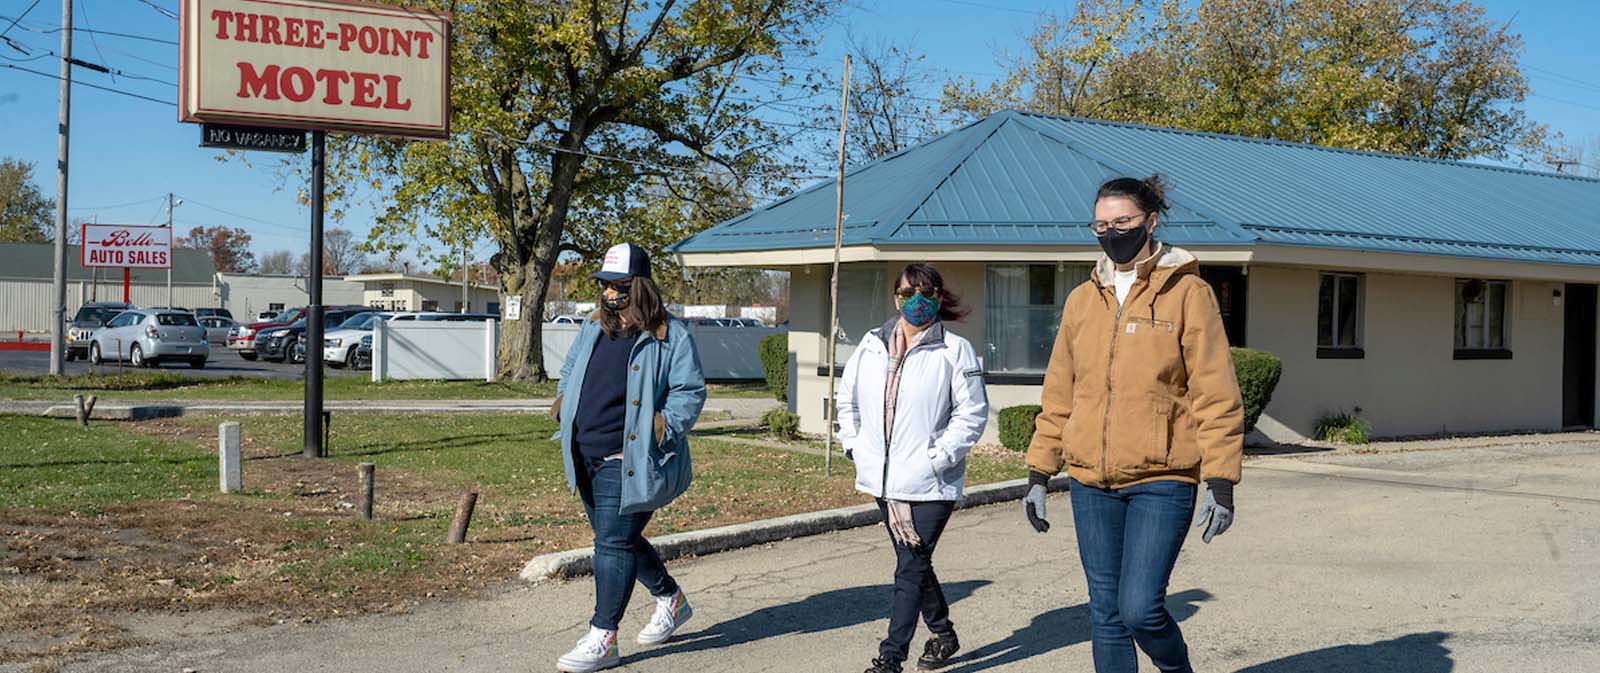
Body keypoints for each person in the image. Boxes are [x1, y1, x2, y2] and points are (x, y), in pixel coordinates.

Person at [1022, 176, 1244, 673]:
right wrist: (1039, 472)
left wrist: (1222, 480)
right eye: (1101, 224)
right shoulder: (1083, 300)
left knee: (1140, 608)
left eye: (1122, 222)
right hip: (1089, 482)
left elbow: (1215, 391)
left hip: (1161, 480)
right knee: (1105, 613)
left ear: (1150, 222)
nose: (1111, 233)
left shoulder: (1189, 293)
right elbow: (1060, 391)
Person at [552, 242, 707, 673]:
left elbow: (690, 392)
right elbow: (570, 369)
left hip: (632, 457)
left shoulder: (669, 336)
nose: (609, 293)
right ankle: (671, 600)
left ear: (639, 287)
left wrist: (661, 427)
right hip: (586, 451)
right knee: (618, 539)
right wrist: (564, 401)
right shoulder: (591, 327)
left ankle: (604, 637)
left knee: (612, 543)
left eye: (619, 286)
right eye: (604, 285)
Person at [836, 263, 990, 673]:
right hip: (884, 481)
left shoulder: (954, 350)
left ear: (939, 297)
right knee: (916, 564)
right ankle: (943, 633)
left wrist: (936, 457)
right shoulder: (871, 346)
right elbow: (846, 401)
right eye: (907, 293)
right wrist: (855, 446)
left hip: (930, 483)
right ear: (895, 298)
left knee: (909, 567)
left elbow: (972, 414)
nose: (916, 301)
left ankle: (890, 659)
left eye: (925, 293)